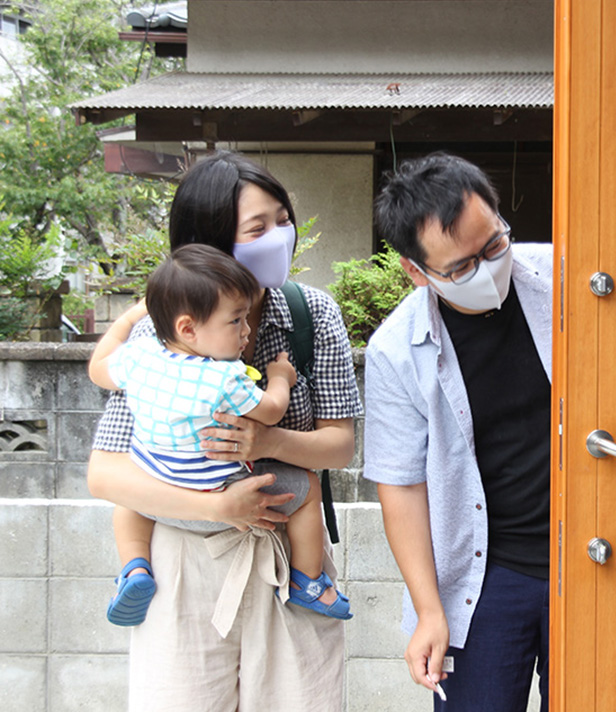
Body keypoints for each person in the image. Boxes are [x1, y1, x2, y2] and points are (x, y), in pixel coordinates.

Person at [87, 152, 362, 711]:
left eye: (283, 221)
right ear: (208, 244)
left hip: (289, 563)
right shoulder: (159, 336)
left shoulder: (313, 315)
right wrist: (217, 507)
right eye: (257, 229)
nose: (279, 237)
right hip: (182, 566)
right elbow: (108, 473)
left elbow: (341, 445)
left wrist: (268, 443)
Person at [363, 153, 552, 712]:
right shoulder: (396, 350)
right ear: (416, 271)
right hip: (486, 575)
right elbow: (399, 484)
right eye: (461, 267)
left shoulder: (567, 279)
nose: (489, 269)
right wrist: (428, 609)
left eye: (494, 245)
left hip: (591, 558)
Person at [89, 244, 352, 627]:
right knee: (308, 488)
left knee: (127, 504)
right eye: (236, 321)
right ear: (188, 327)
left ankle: (134, 568)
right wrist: (280, 378)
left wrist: (130, 317)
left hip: (160, 488)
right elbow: (272, 410)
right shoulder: (224, 378)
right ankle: (309, 580)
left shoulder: (139, 356)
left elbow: (98, 367)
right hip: (223, 490)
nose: (246, 331)